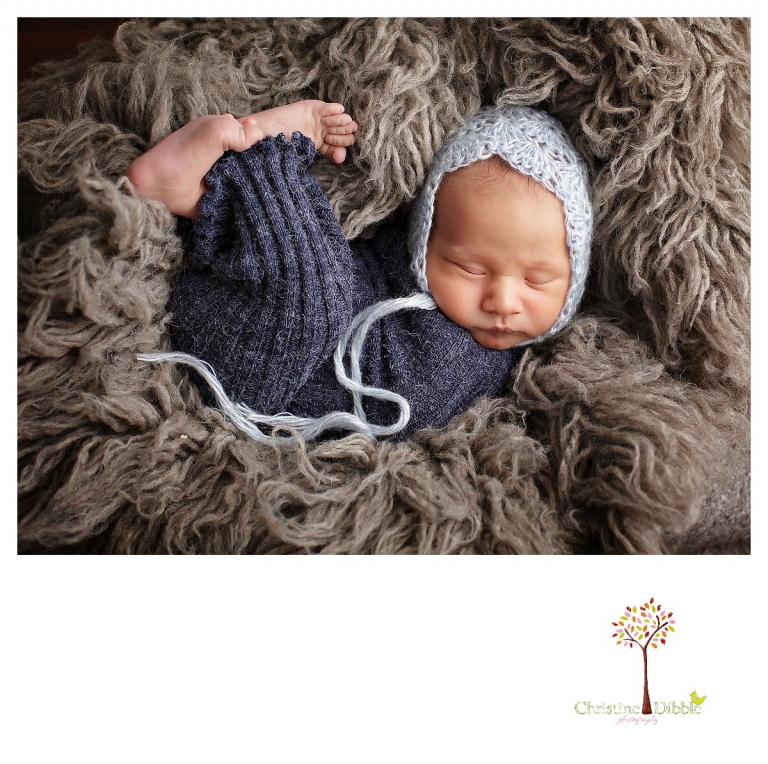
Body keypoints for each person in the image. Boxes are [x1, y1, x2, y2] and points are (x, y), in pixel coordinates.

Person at [128, 100, 592, 441]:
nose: (503, 301)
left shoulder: (522, 373)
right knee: (315, 291)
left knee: (310, 291)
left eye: (537, 280)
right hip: (250, 333)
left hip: (264, 405)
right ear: (424, 243)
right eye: (470, 268)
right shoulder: (392, 274)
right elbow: (328, 268)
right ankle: (251, 157)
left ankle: (213, 187)